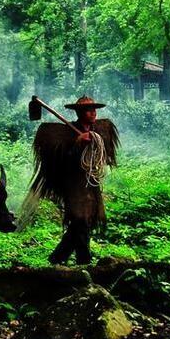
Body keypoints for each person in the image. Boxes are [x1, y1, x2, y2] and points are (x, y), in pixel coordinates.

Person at [29, 96, 119, 265]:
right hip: (72, 184)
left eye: (94, 110)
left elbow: (102, 156)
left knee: (86, 221)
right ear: (79, 112)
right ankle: (84, 262)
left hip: (91, 183)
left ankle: (57, 258)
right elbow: (61, 160)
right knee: (79, 219)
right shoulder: (67, 133)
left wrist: (93, 145)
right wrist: (77, 143)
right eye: (88, 110)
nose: (93, 113)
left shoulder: (98, 131)